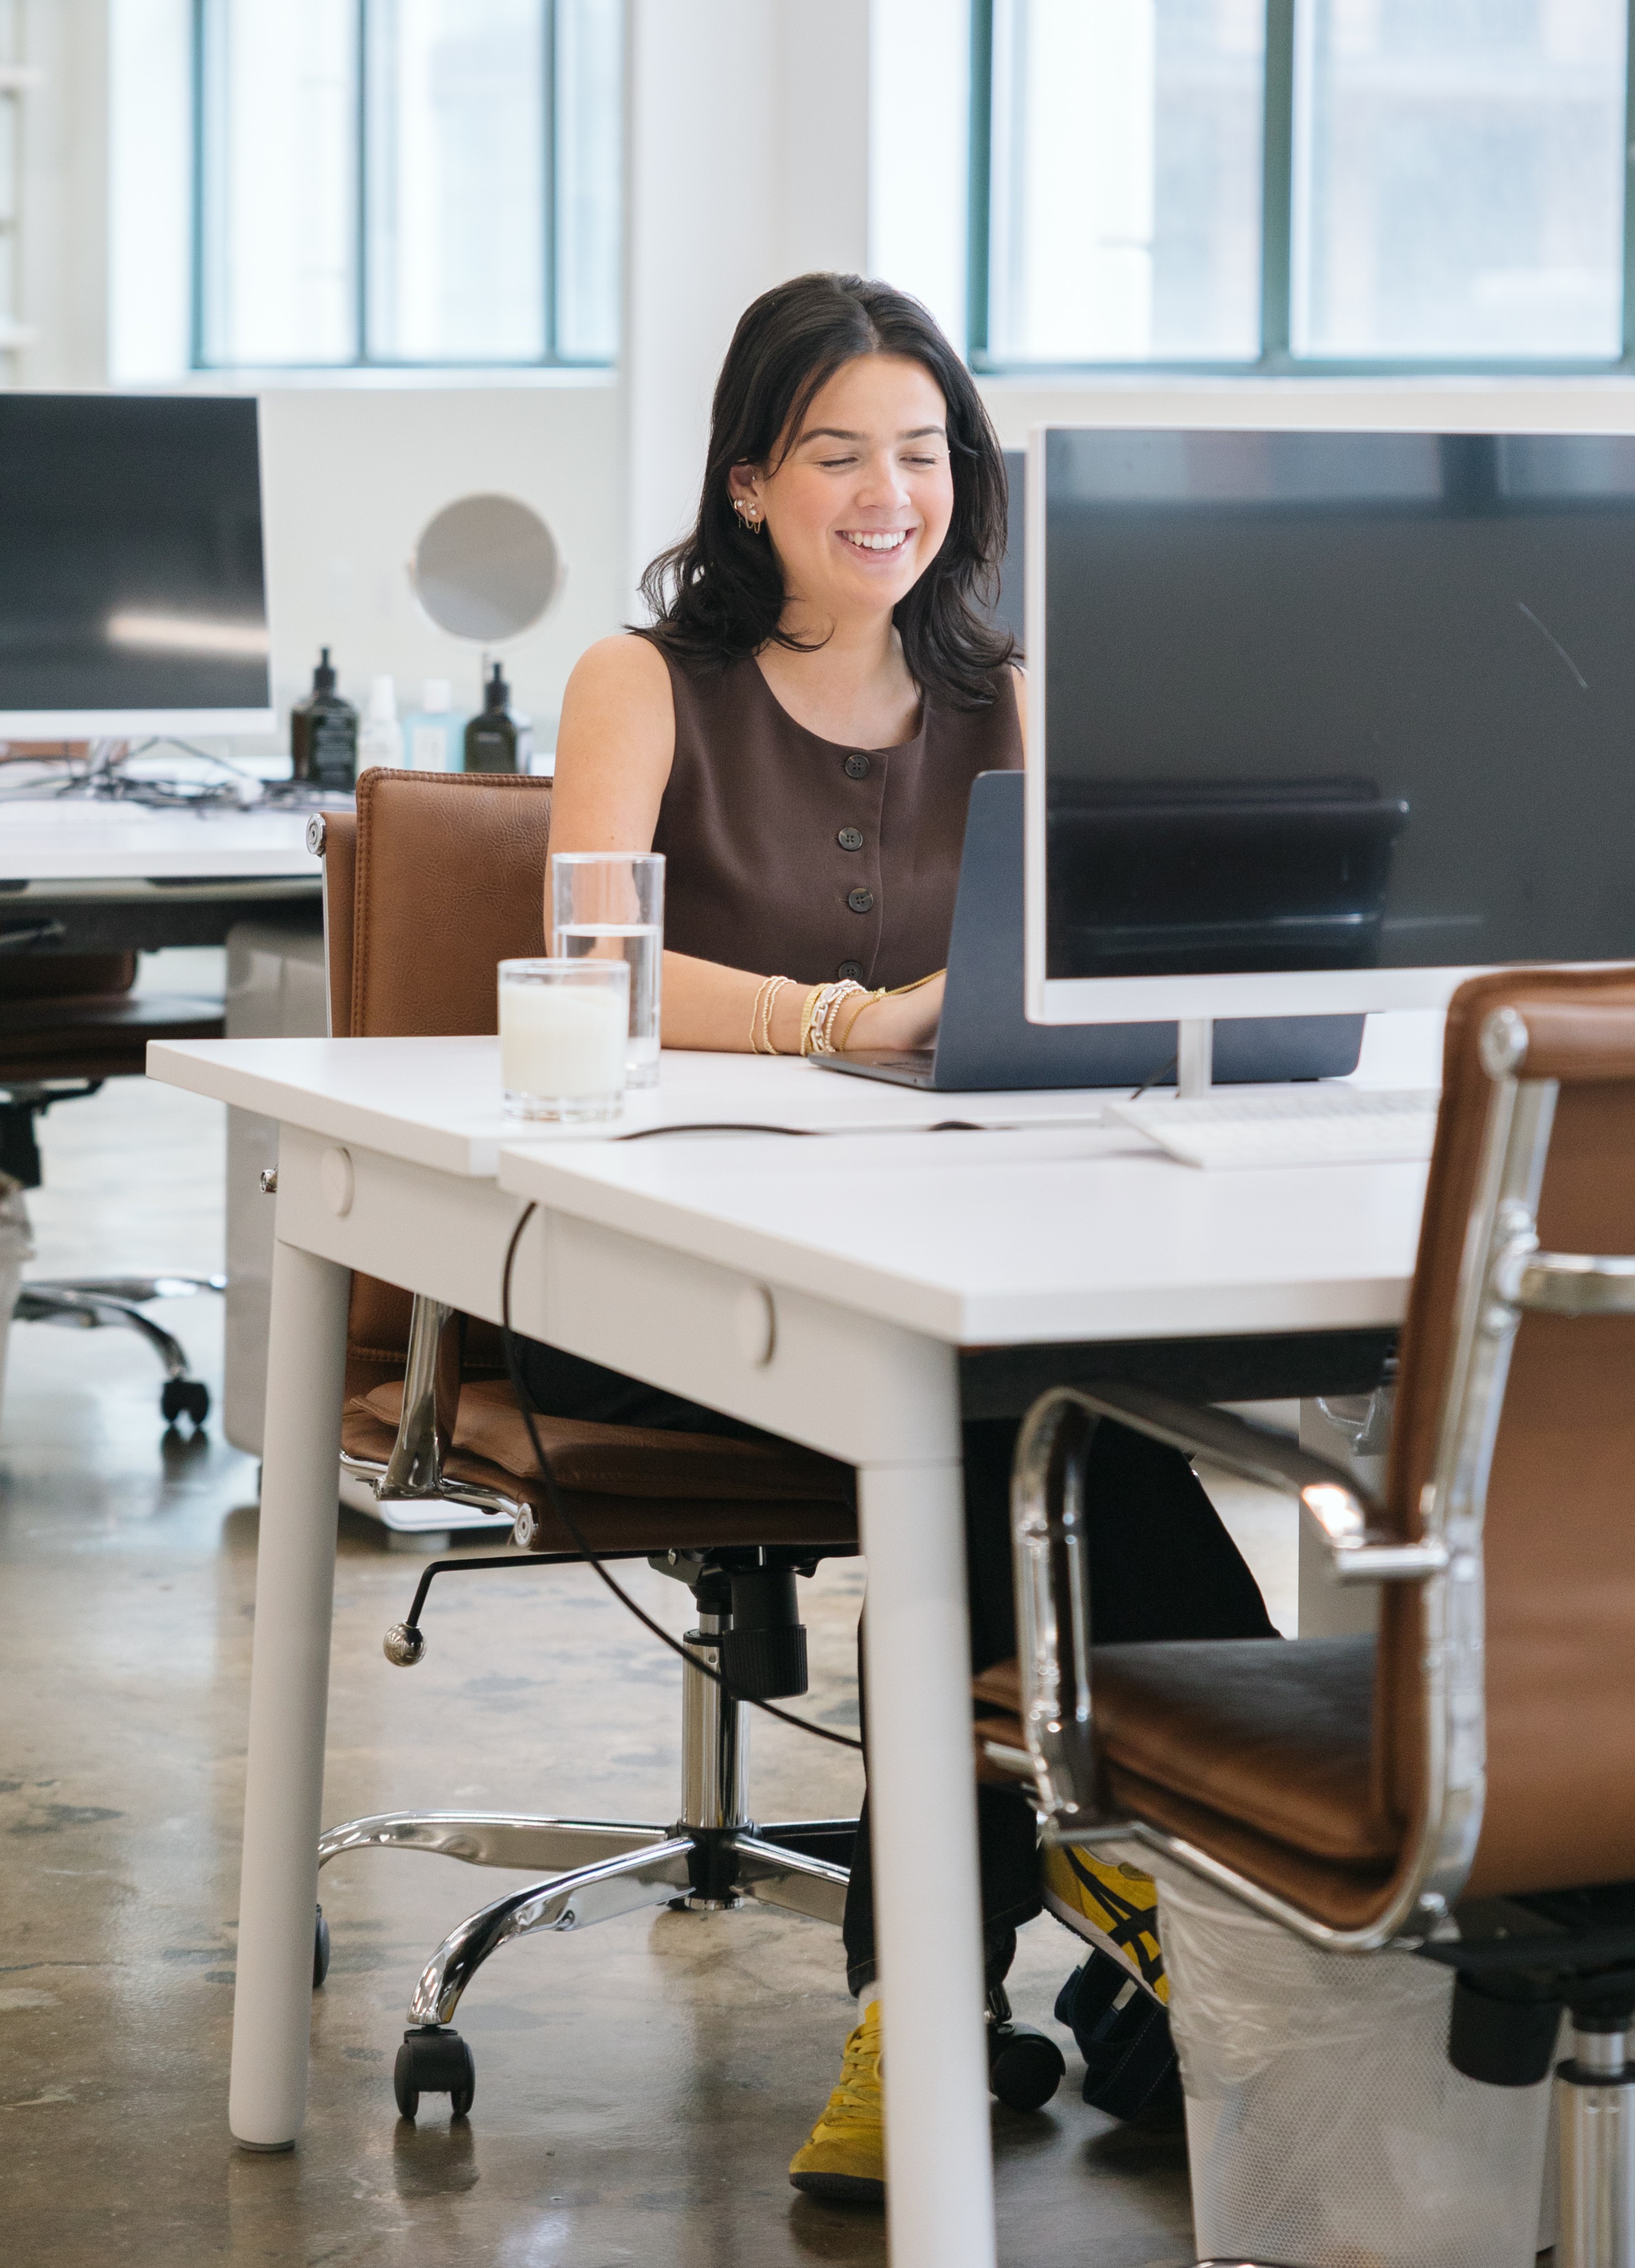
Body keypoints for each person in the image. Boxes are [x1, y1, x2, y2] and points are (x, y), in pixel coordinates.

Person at [536, 270, 1274, 2203]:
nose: (891, 495)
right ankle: (1177, 1902)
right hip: (663, 1280)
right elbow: (592, 959)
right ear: (749, 480)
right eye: (838, 454)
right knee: (1011, 1427)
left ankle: (964, 1995)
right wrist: (837, 1023)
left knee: (1023, 1413)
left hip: (949, 1250)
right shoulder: (643, 681)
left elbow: (1087, 951)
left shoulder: (1006, 686)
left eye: (926, 453)